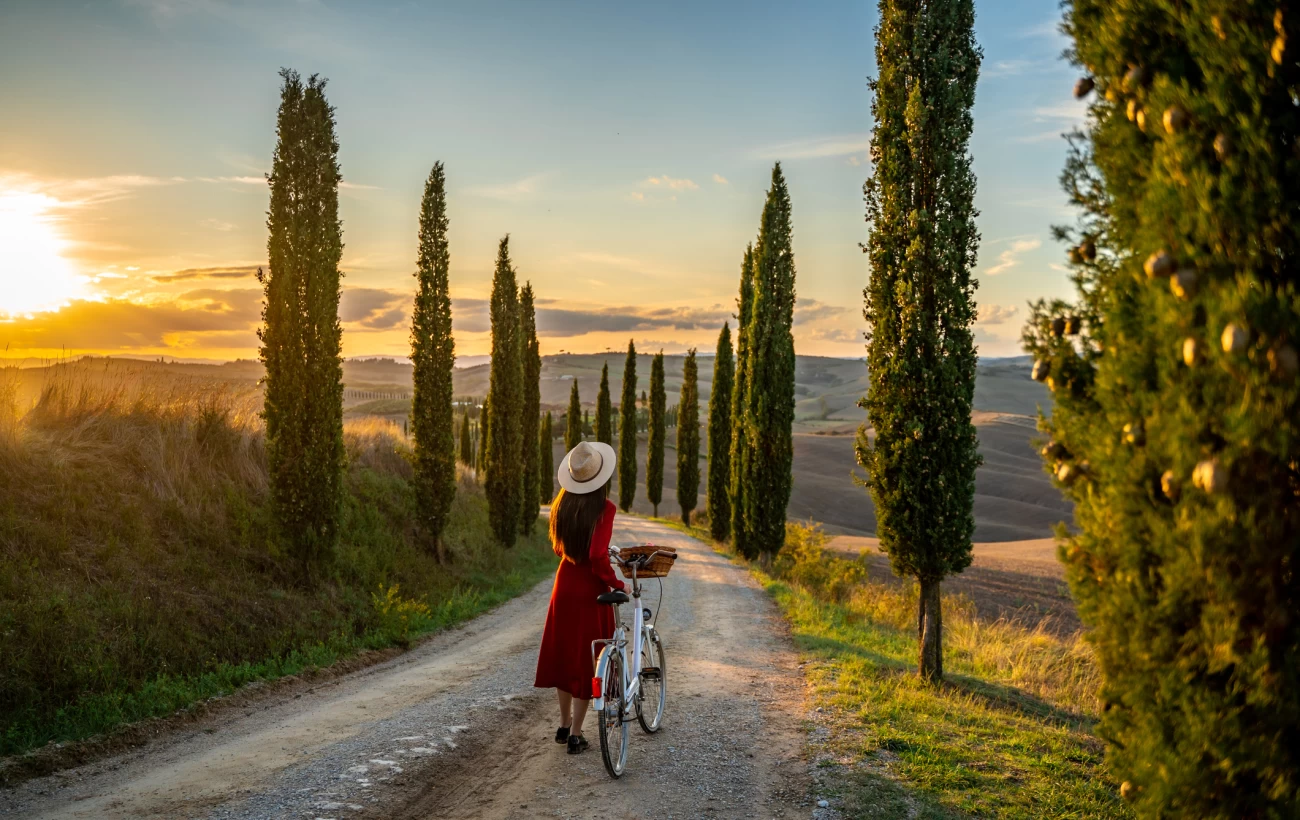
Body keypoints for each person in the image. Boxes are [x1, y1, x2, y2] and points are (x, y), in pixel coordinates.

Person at [533, 440, 625, 755]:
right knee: (590, 658)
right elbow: (599, 556)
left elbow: (559, 548)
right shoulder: (604, 508)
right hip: (590, 590)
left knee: (565, 655)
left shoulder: (561, 504)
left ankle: (562, 723)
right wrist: (616, 583)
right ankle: (575, 734)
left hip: (564, 583)